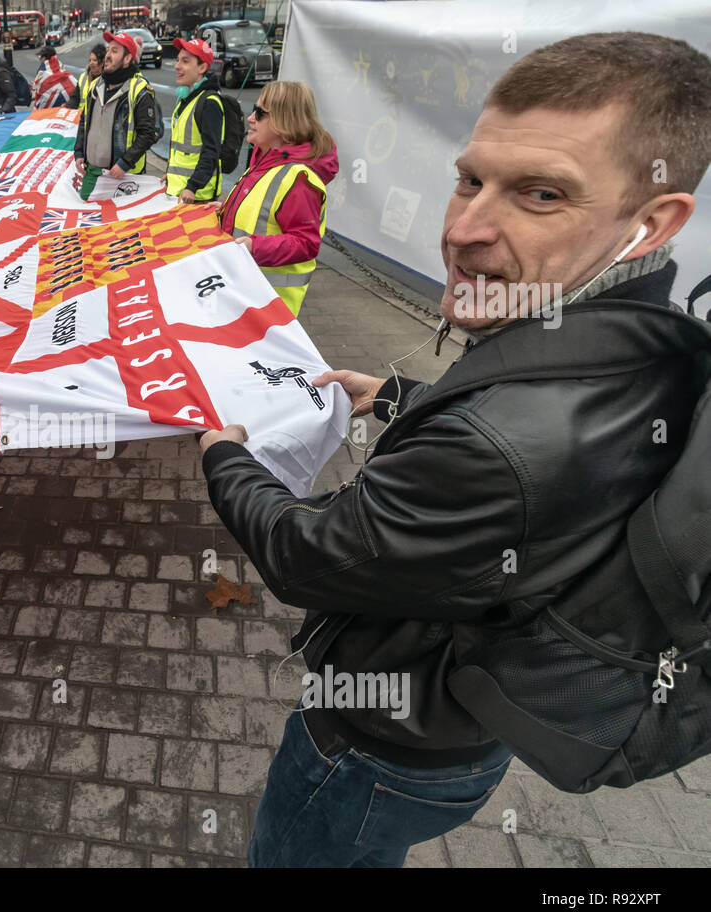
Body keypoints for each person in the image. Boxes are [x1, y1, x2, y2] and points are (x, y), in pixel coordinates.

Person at [199, 31, 711, 868]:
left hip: (374, 749)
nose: (465, 230)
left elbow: (308, 553)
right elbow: (530, 456)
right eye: (470, 179)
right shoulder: (648, 336)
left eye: (541, 194)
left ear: (651, 221)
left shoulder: (498, 441)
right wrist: (404, 399)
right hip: (459, 726)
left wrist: (224, 456)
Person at [215, 81, 337, 317]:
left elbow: (305, 243)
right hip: (247, 297)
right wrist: (225, 209)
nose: (250, 118)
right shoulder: (265, 161)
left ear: (284, 122)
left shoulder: (298, 178)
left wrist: (254, 246)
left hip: (268, 310)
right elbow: (261, 212)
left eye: (259, 113)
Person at [73, 32, 158, 197]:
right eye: (108, 50)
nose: (108, 56)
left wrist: (124, 163)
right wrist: (79, 152)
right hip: (93, 174)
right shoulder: (95, 86)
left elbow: (148, 134)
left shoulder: (139, 90)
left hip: (124, 178)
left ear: (127, 59)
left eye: (114, 51)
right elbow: (84, 121)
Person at [167, 38, 224, 203]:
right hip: (181, 192)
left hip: (197, 197)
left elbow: (211, 152)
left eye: (185, 61)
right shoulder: (186, 99)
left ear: (202, 68)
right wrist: (170, 174)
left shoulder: (209, 102)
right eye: (177, 60)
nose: (177, 66)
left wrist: (192, 186)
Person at [66, 42, 105, 110]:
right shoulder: (83, 77)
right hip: (80, 117)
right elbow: (75, 98)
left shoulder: (106, 80)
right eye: (90, 60)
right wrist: (68, 106)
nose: (91, 63)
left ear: (102, 62)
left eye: (95, 60)